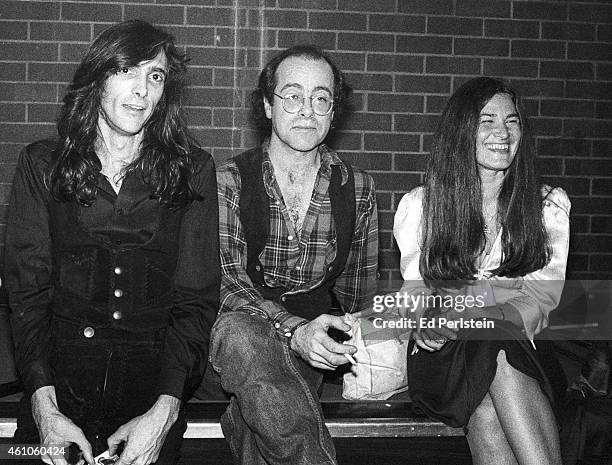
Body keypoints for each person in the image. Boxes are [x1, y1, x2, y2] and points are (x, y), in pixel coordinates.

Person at [4, 20, 220, 465]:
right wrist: (45, 412)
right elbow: (27, 297)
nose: (142, 90)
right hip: (56, 394)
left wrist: (163, 414)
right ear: (99, 76)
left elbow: (195, 302)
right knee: (19, 455)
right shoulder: (41, 164)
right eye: (128, 71)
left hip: (151, 399)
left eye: (155, 76)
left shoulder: (193, 169)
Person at [211, 45, 378, 464]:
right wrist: (294, 332)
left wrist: (340, 338)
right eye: (292, 95)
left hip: (312, 344)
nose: (307, 110)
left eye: (321, 98)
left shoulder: (357, 188)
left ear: (333, 111)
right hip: (237, 330)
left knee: (259, 420)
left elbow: (360, 295)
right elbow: (227, 283)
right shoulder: (229, 179)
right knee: (244, 338)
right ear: (268, 105)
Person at [393, 77, 570, 465]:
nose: (502, 133)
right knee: (493, 343)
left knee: (489, 397)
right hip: (443, 358)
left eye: (512, 121)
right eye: (486, 121)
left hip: (523, 352)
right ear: (462, 131)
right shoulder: (422, 207)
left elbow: (540, 303)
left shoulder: (547, 207)